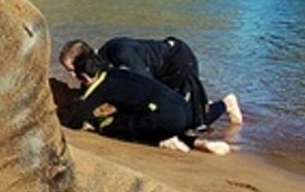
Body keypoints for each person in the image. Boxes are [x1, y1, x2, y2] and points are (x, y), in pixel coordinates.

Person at [62, 48, 229, 154]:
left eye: (71, 71)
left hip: (168, 119)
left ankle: (168, 141)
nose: (70, 76)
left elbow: (76, 121)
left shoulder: (99, 87)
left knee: (107, 125)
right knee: (136, 115)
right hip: (183, 109)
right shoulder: (114, 72)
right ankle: (196, 141)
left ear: (82, 74)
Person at [58, 37, 242, 130]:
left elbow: (148, 89)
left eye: (73, 70)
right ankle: (203, 105)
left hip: (179, 62)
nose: (73, 75)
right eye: (69, 72)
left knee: (192, 123)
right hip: (159, 70)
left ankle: (226, 104)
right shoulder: (95, 69)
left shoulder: (121, 54)